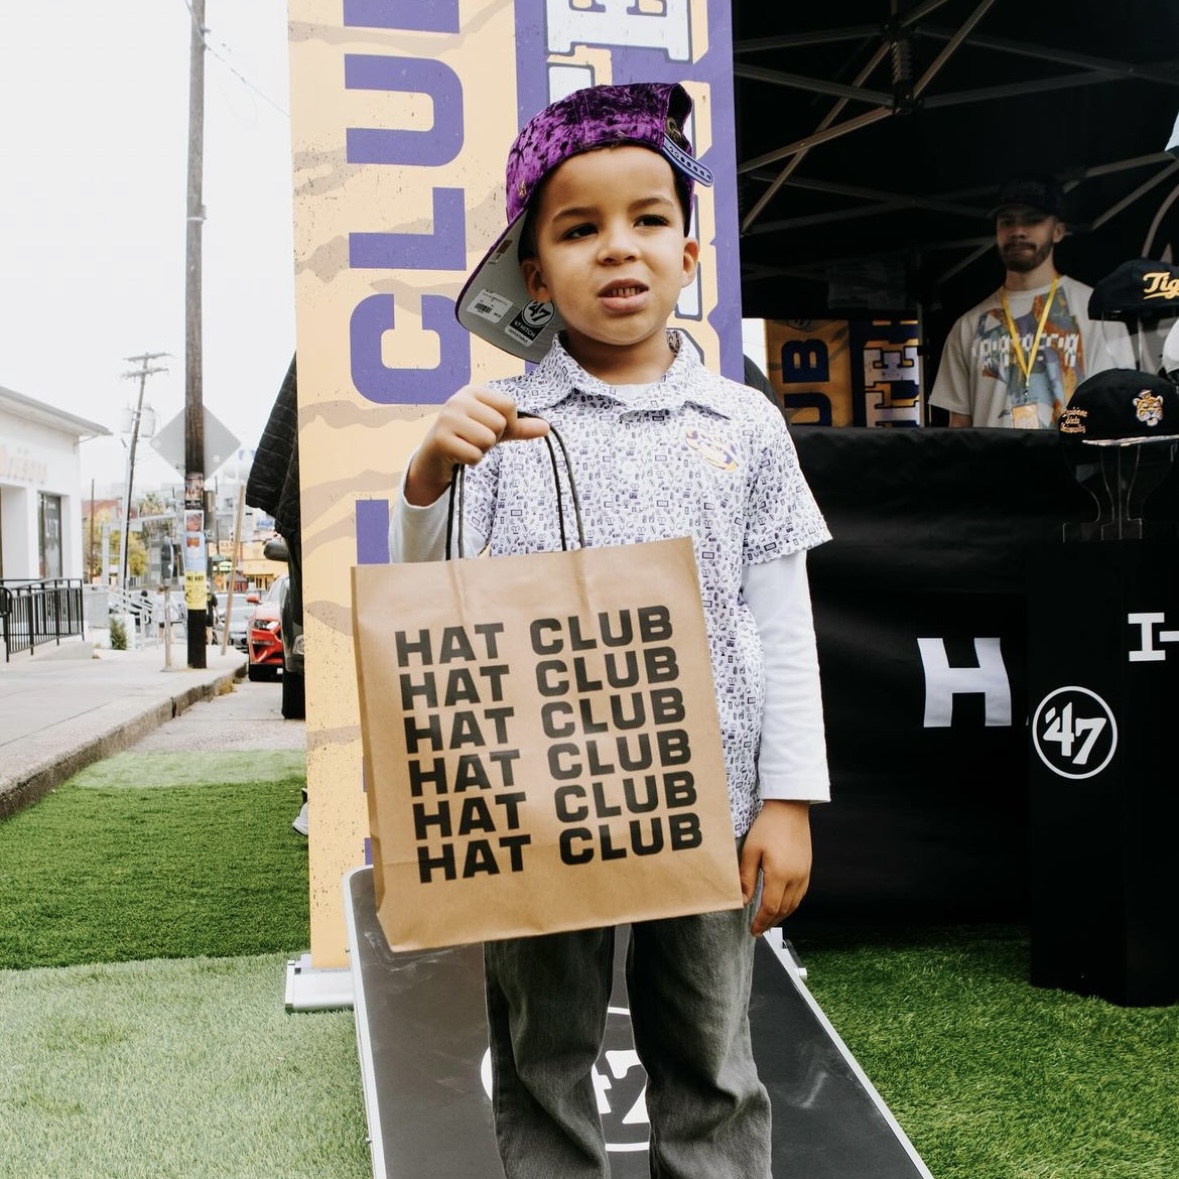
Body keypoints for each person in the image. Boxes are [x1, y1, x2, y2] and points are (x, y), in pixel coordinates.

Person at [388, 82, 830, 1178]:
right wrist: (430, 471)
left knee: (714, 1064)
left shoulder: (745, 423)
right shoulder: (498, 422)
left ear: (688, 249)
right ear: (533, 273)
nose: (619, 250)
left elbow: (782, 622)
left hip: (712, 803)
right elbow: (437, 605)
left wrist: (788, 800)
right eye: (579, 229)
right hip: (540, 808)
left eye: (649, 220)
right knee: (543, 1057)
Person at [929, 175, 1134, 429]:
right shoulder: (967, 327)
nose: (1018, 231)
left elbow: (1117, 412)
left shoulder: (1097, 312)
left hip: (1070, 467)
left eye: (1033, 220)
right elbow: (958, 426)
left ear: (1058, 231)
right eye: (1007, 222)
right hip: (994, 467)